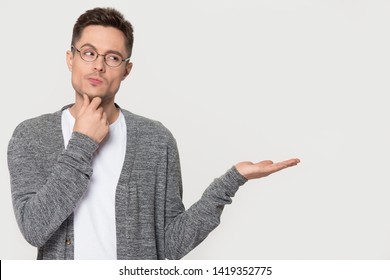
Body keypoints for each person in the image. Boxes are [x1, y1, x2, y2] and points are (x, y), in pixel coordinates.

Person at [7, 7, 300, 260]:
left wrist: (231, 180)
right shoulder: (32, 136)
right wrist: (82, 143)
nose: (98, 64)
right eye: (89, 53)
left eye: (112, 58)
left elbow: (172, 244)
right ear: (71, 59)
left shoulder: (156, 141)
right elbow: (34, 229)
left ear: (127, 70)